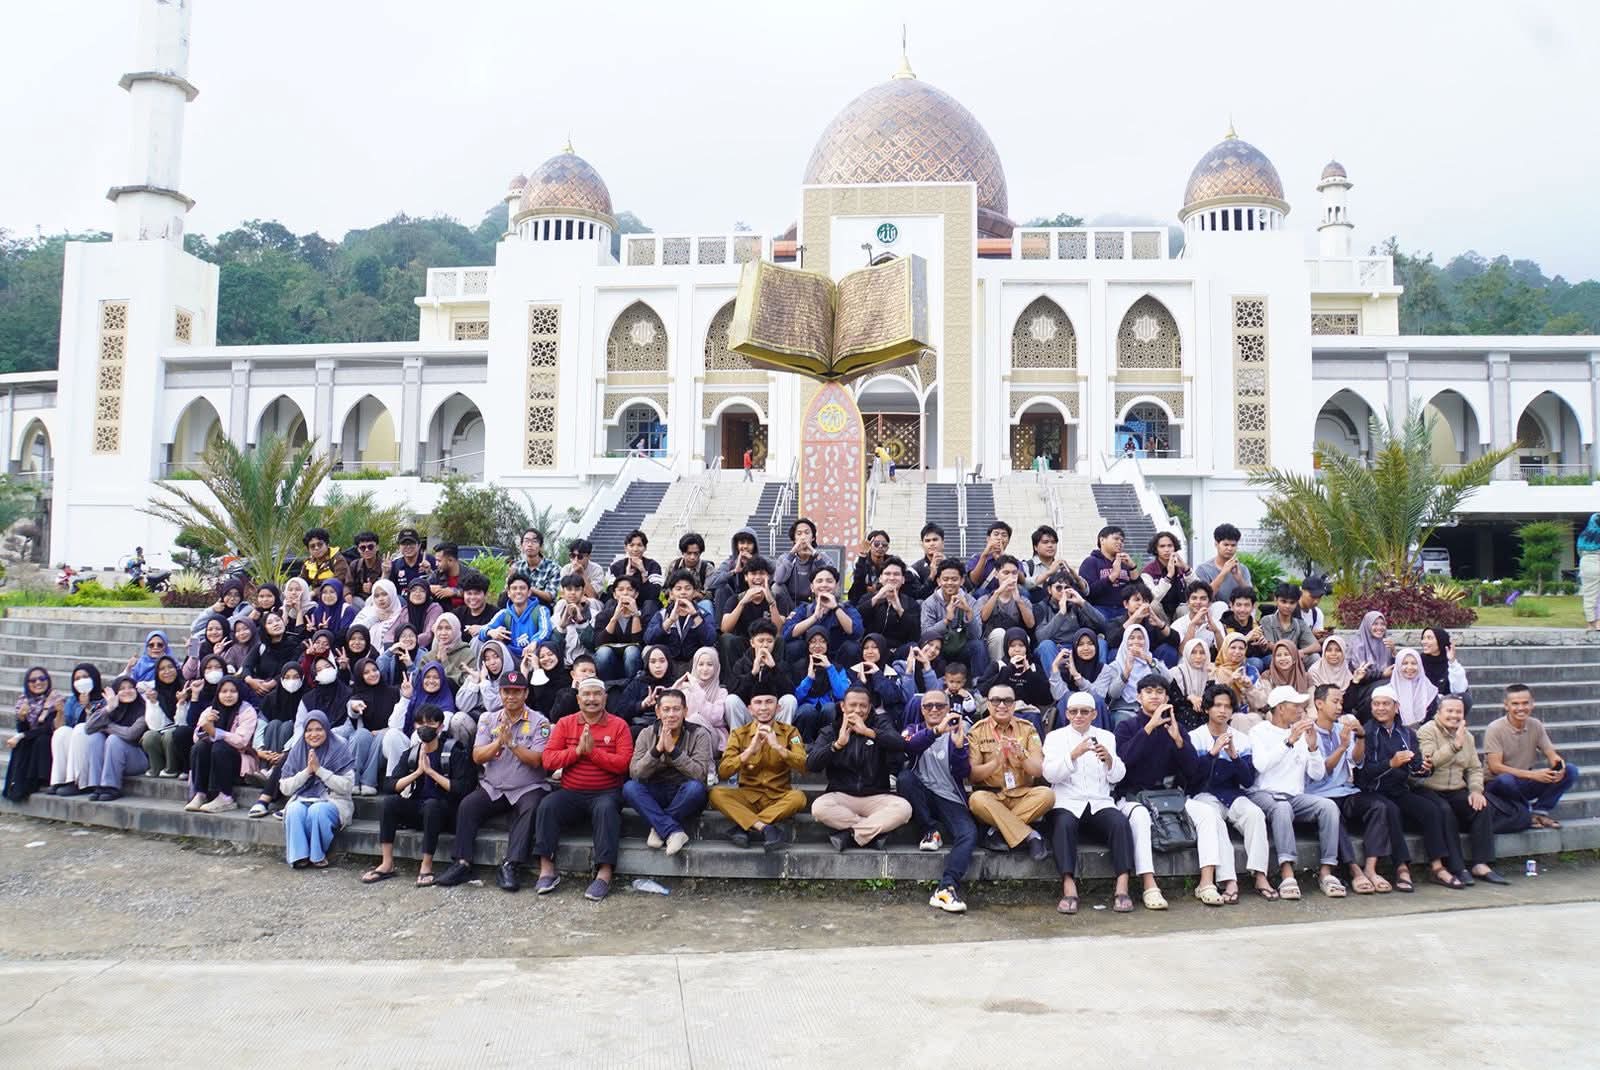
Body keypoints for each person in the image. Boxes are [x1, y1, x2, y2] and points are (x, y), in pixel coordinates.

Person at [1112, 676, 1232, 909]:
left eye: (1160, 692)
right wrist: (1149, 728)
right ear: (1139, 697)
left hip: (1170, 797)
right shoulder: (1126, 726)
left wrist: (1178, 740)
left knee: (1207, 813)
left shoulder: (1177, 727)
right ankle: (1149, 885)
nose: (1155, 696)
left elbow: (1192, 771)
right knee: (1139, 817)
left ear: (1167, 698)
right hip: (1133, 796)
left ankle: (1206, 882)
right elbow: (1123, 763)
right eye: (1148, 691)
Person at [435, 670, 551, 889]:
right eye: (507, 691)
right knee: (468, 805)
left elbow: (537, 760)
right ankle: (462, 862)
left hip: (527, 786)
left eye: (517, 692)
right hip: (494, 786)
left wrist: (513, 744)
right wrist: (499, 743)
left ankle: (511, 865)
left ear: (525, 694)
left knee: (532, 806)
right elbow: (477, 755)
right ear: (500, 693)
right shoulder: (488, 719)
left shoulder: (540, 722)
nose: (511, 696)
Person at [534, 678, 634, 900]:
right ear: (578, 699)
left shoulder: (619, 725)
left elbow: (624, 764)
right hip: (571, 792)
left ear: (605, 698)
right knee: (547, 805)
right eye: (586, 695)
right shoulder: (565, 723)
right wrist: (577, 751)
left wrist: (593, 753)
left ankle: (604, 874)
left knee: (606, 809)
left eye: (596, 694)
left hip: (606, 793)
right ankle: (547, 869)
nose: (591, 699)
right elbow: (548, 760)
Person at [1358, 685, 1467, 890]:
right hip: (1373, 791)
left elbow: (1417, 768)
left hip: (1399, 789)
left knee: (1431, 810)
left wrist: (1424, 768)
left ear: (1396, 707)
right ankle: (1402, 868)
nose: (1380, 708)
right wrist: (1391, 763)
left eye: (1385, 704)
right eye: (1376, 704)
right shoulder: (1367, 732)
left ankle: (1437, 866)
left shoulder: (1406, 733)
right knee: (1391, 810)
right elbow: (1362, 774)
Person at [1246, 686, 1347, 899]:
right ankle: (1287, 871)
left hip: (1295, 796)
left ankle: (1327, 870)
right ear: (1281, 709)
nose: (1301, 709)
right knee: (1281, 807)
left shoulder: (1302, 733)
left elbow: (1317, 774)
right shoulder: (1259, 731)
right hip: (1264, 793)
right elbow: (1261, 765)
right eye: (1296, 706)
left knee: (1328, 806)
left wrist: (1312, 748)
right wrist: (1289, 741)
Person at [1042, 691, 1138, 914]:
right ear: (1067, 714)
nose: (1078, 716)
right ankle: (1069, 888)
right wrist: (1073, 755)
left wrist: (1110, 761)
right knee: (1063, 824)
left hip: (1098, 801)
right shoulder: (1055, 737)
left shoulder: (1107, 737)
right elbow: (1049, 775)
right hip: (1067, 801)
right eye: (1074, 712)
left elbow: (1117, 777)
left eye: (1084, 712)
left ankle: (1122, 887)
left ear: (1094, 714)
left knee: (1120, 823)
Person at [1305, 683, 1403, 895]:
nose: (1340, 706)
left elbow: (1356, 760)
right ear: (1319, 704)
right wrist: (1341, 746)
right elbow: (1322, 772)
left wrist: (1360, 737)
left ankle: (1371, 867)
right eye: (1335, 701)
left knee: (1378, 806)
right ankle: (1354, 869)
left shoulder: (1342, 729)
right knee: (1333, 815)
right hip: (1318, 795)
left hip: (1344, 791)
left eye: (1341, 701)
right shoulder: (1308, 732)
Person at [362, 703, 476, 886]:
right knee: (388, 802)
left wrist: (431, 773)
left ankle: (426, 865)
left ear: (440, 726)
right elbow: (390, 784)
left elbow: (463, 788)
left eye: (430, 723)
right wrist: (416, 773)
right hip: (419, 810)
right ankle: (387, 863)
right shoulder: (412, 753)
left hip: (445, 813)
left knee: (432, 805)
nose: (425, 728)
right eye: (420, 723)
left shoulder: (454, 751)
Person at [1186, 684, 1272, 901]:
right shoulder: (1195, 737)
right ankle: (1229, 881)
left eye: (1227, 706)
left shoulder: (1241, 739)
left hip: (1232, 794)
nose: (1223, 711)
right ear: (1207, 709)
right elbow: (1192, 779)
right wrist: (1212, 754)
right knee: (1214, 821)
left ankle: (1260, 875)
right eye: (1217, 706)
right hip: (1203, 795)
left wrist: (1234, 756)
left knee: (1255, 814)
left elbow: (1247, 780)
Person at [1417, 695, 1509, 885]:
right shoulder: (1427, 731)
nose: (1454, 715)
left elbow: (1475, 768)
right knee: (1445, 812)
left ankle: (1481, 863)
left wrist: (1475, 790)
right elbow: (1429, 762)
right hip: (1429, 787)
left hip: (1457, 788)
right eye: (1449, 711)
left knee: (1481, 807)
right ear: (1438, 712)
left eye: (1458, 711)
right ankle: (1457, 867)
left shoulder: (1467, 736)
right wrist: (1454, 746)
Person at [899, 689, 976, 913]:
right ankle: (931, 830)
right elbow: (909, 746)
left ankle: (947, 887)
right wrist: (937, 731)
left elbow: (963, 771)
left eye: (940, 706)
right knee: (905, 778)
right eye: (928, 706)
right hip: (921, 792)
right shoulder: (912, 729)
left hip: (949, 795)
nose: (934, 709)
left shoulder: (961, 729)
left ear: (948, 707)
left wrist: (960, 748)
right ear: (921, 709)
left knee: (968, 833)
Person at [807, 686, 911, 851]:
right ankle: (869, 833)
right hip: (842, 795)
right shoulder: (831, 730)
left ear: (870, 707)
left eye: (863, 706)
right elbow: (811, 764)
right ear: (843, 706)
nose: (858, 710)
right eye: (853, 705)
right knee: (819, 808)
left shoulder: (880, 723)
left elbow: (900, 744)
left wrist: (868, 732)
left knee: (904, 809)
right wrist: (837, 745)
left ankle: (849, 835)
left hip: (876, 795)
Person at [709, 687, 809, 850]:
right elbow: (724, 771)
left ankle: (744, 826)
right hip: (747, 797)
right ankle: (765, 827)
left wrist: (778, 748)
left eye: (769, 702)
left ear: (778, 707)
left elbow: (804, 766)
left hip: (779, 797)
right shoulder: (739, 734)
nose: (763, 707)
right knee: (715, 794)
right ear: (750, 709)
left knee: (799, 798)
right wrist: (749, 752)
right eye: (758, 703)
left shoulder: (791, 732)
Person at [965, 684, 1053, 860]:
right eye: (996, 700)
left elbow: (1037, 770)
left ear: (1014, 705)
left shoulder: (1028, 729)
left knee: (1047, 794)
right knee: (976, 800)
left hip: (1022, 795)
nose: (1002, 705)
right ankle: (1031, 836)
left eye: (1007, 701)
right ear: (988, 704)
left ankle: (996, 831)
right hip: (993, 798)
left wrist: (1022, 756)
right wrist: (996, 761)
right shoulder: (976, 731)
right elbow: (973, 775)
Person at [623, 688, 712, 856]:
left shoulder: (699, 734)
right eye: (666, 709)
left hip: (684, 792)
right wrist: (656, 751)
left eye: (676, 709)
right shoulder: (646, 733)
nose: (671, 714)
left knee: (696, 789)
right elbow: (636, 773)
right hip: (656, 790)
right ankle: (672, 831)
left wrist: (673, 751)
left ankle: (659, 828)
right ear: (657, 711)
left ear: (685, 711)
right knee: (630, 788)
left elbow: (700, 774)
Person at [1484, 684, 1577, 829]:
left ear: (1532, 704)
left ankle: (1539, 812)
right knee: (1505, 780)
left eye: (1525, 703)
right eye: (1515, 704)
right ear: (1506, 705)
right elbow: (1495, 767)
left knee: (1571, 770)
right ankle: (1526, 813)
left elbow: (1551, 753)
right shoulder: (1494, 728)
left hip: (1524, 782)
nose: (1521, 708)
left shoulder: (1536, 725)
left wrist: (1560, 766)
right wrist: (1532, 775)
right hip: (1497, 785)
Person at [279, 710, 355, 868]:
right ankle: (300, 856)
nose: (313, 734)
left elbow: (347, 786)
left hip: (334, 801)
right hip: (302, 798)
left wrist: (320, 770)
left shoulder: (340, 748)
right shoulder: (297, 749)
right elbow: (285, 788)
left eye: (319, 729)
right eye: (309, 730)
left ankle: (317, 855)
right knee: (293, 810)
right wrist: (307, 771)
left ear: (327, 729)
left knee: (317, 810)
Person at [185, 677, 259, 814]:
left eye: (233, 691)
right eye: (224, 691)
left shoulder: (247, 711)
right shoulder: (210, 710)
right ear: (218, 693)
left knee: (220, 746)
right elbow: (196, 737)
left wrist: (215, 732)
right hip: (214, 758)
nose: (228, 695)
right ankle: (200, 793)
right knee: (200, 747)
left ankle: (225, 797)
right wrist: (206, 726)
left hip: (238, 759)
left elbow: (241, 741)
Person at [716, 553, 793, 671]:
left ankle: (775, 678)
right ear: (746, 577)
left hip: (767, 643)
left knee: (780, 640)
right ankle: (733, 681)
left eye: (762, 573)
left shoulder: (778, 599)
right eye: (753, 573)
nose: (758, 577)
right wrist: (743, 603)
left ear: (768, 577)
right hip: (744, 642)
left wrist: (771, 603)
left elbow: (778, 630)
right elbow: (725, 628)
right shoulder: (735, 599)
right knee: (726, 639)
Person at [781, 564, 863, 672]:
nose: (824, 585)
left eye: (829, 581)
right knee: (793, 647)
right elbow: (786, 634)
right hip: (809, 659)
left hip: (837, 659)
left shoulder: (847, 609)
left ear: (837, 586)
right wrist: (814, 617)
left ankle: (847, 685)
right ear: (812, 587)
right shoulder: (804, 609)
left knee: (852, 647)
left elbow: (857, 632)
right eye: (819, 581)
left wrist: (836, 608)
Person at [3, 667, 62, 802]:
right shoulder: (23, 701)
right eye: (32, 680)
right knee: (23, 743)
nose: (38, 683)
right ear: (27, 683)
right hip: (32, 738)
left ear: (48, 680)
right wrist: (22, 718)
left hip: (49, 740)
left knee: (42, 739)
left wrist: (22, 735)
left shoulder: (56, 699)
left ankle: (43, 780)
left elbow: (48, 728)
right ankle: (17, 783)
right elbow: (22, 728)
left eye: (42, 679)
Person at [725, 620, 798, 728]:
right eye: (761, 641)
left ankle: (781, 740)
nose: (765, 645)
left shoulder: (781, 664)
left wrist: (774, 668)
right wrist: (753, 673)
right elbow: (734, 692)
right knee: (731, 700)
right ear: (752, 643)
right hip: (750, 715)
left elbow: (789, 691)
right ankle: (738, 742)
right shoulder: (741, 664)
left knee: (789, 700)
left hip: (773, 715)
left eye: (769, 641)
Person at [1092, 625, 1170, 726]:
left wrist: (1149, 660)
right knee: (1124, 721)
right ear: (1125, 642)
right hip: (1123, 710)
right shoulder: (1116, 665)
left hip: (1151, 708)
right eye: (1131, 638)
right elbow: (1113, 694)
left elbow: (1168, 680)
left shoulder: (1152, 662)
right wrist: (1127, 671)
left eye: (1140, 638)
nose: (1136, 641)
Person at [919, 560, 985, 674]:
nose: (949, 583)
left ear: (962, 580)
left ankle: (978, 684)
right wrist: (946, 620)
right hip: (939, 649)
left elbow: (976, 635)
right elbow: (925, 634)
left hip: (962, 647)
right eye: (945, 579)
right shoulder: (929, 603)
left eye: (954, 579)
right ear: (939, 581)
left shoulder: (971, 601)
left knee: (978, 646)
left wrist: (968, 612)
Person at [644, 569, 715, 673]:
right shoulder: (662, 614)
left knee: (711, 651)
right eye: (678, 589)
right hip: (668, 662)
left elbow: (710, 640)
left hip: (694, 662)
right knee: (647, 650)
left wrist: (695, 615)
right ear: (671, 593)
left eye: (688, 589)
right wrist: (670, 620)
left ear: (694, 592)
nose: (683, 593)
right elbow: (648, 639)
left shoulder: (702, 614)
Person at [49, 663, 104, 795]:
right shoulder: (73, 700)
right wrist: (60, 712)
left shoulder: (104, 698)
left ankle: (78, 782)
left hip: (97, 738)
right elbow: (61, 726)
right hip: (77, 741)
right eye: (77, 678)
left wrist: (88, 707)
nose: (81, 681)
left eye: (85, 677)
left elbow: (99, 725)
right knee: (61, 733)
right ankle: (60, 780)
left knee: (80, 729)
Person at [791, 627, 850, 742]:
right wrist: (809, 678)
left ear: (827, 644)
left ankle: (828, 744)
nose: (817, 645)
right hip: (805, 711)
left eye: (822, 641)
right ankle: (804, 746)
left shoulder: (837, 667)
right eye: (813, 641)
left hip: (827, 711)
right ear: (807, 645)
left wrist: (829, 668)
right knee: (807, 710)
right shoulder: (798, 666)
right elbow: (795, 698)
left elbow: (842, 694)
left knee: (830, 708)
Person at [593, 573, 654, 682]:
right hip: (609, 658)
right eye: (620, 590)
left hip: (633, 657)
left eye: (630, 590)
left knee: (631, 651)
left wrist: (635, 614)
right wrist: (615, 617)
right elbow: (599, 642)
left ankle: (631, 686)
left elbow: (638, 642)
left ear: (636, 594)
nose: (625, 593)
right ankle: (607, 686)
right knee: (603, 652)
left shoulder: (644, 614)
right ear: (615, 594)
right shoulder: (604, 615)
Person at [977, 556, 1036, 667]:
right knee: (1000, 633)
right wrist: (997, 593)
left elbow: (1031, 624)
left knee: (1024, 638)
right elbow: (983, 618)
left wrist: (1018, 600)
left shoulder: (1023, 600)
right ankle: (999, 671)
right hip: (993, 641)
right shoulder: (985, 598)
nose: (1011, 577)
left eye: (1014, 573)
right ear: (996, 574)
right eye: (1006, 573)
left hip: (1015, 640)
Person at [481, 572, 552, 666]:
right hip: (510, 658)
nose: (518, 591)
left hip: (533, 655)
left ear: (529, 592)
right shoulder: (504, 613)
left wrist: (535, 642)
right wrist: (491, 632)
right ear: (509, 593)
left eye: (522, 588)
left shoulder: (540, 610)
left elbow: (546, 630)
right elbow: (483, 630)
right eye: (514, 588)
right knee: (478, 641)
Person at [138, 655, 189, 780]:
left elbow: (183, 723)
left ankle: (172, 769)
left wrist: (181, 703)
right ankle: (157, 768)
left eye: (170, 667)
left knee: (171, 734)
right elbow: (154, 726)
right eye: (161, 669)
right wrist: (154, 703)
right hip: (162, 732)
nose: (167, 672)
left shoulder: (186, 689)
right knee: (149, 736)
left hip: (180, 737)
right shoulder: (154, 693)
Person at [856, 555, 920, 655]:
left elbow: (914, 635)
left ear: (903, 579)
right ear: (880, 578)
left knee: (913, 647)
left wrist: (899, 610)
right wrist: (876, 598)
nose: (891, 578)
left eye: (896, 574)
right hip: (869, 649)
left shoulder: (911, 603)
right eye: (887, 574)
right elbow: (857, 618)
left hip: (897, 651)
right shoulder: (868, 598)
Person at [1343, 610, 1396, 718]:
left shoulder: (1386, 643)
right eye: (1375, 624)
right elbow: (1361, 674)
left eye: (1382, 624)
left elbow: (1394, 669)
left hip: (1383, 685)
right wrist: (1382, 674)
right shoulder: (1359, 645)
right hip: (1362, 689)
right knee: (1387, 686)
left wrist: (1394, 652)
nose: (1380, 627)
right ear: (1367, 625)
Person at [616, 644, 677, 737]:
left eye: (662, 661)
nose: (657, 666)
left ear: (668, 662)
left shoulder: (676, 684)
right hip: (642, 726)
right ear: (647, 664)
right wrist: (642, 704)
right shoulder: (638, 683)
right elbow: (621, 710)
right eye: (653, 662)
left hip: (670, 725)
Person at [1080, 525, 1137, 620]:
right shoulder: (1090, 562)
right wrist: (1112, 576)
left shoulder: (1125, 563)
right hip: (1100, 608)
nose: (1120, 542)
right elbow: (1088, 592)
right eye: (1116, 538)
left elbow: (1140, 591)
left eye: (1122, 541)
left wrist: (1133, 567)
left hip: (1123, 609)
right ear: (1102, 540)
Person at [1194, 523, 1252, 608]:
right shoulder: (1203, 569)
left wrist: (1239, 579)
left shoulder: (1242, 569)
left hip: (1237, 610)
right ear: (1216, 544)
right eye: (1226, 545)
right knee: (1220, 606)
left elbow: (1251, 597)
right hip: (1212, 611)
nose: (1229, 548)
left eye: (1233, 545)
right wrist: (1223, 573)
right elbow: (1203, 598)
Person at [1139, 530, 1191, 621]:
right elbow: (1152, 596)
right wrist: (1169, 576)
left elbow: (1199, 589)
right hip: (1160, 617)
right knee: (1153, 605)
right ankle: (1166, 633)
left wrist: (1186, 569)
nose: (1166, 550)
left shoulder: (1181, 567)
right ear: (1156, 549)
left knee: (1184, 608)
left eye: (1170, 546)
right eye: (1162, 546)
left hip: (1179, 613)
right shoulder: (1148, 571)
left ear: (1174, 548)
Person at [550, 573, 600, 665]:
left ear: (583, 591)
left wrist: (582, 623)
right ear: (562, 592)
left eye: (577, 589)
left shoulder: (595, 615)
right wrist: (561, 628)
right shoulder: (555, 618)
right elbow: (554, 649)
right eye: (569, 589)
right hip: (563, 665)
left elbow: (593, 646)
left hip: (587, 665)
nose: (573, 592)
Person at [1258, 583, 1317, 660]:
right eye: (1283, 601)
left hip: (1294, 659)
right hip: (1274, 659)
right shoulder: (1267, 620)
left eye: (1292, 603)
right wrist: (1292, 653)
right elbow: (1270, 645)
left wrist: (1301, 651)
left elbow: (1316, 646)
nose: (1287, 606)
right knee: (1271, 659)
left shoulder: (1300, 623)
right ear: (1276, 600)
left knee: (1314, 657)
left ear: (1297, 603)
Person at [1217, 589, 1270, 673]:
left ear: (1253, 607)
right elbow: (1224, 653)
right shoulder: (1224, 624)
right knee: (1257, 663)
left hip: (1257, 658)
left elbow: (1263, 651)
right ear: (1231, 605)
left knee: (1273, 659)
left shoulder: (1254, 622)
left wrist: (1263, 646)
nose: (1242, 610)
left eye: (1247, 605)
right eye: (1238, 605)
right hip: (1235, 663)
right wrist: (1246, 638)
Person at [773, 517, 822, 606]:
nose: (803, 537)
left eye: (807, 533)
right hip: (790, 604)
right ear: (794, 539)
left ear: (813, 538)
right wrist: (791, 554)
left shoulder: (821, 557)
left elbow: (832, 577)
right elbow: (778, 580)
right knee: (776, 588)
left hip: (815, 604)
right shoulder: (785, 558)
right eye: (799, 534)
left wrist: (815, 556)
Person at [1418, 628, 1469, 712]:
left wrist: (1452, 661)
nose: (1424, 641)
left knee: (1466, 697)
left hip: (1448, 708)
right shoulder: (1418, 661)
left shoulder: (1450, 663)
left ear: (1440, 640)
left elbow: (1460, 689)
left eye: (1429, 638)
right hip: (1424, 707)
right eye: (1423, 638)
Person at [608, 529, 665, 605]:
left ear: (645, 548)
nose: (635, 549)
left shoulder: (653, 565)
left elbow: (654, 594)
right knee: (610, 603)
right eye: (631, 545)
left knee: (650, 604)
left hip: (645, 605)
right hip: (622, 603)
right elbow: (611, 593)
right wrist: (626, 577)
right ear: (626, 548)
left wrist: (643, 572)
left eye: (639, 545)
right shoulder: (616, 566)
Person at [1391, 647, 1440, 727]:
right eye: (1405, 663)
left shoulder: (1430, 691)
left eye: (1414, 663)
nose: (1410, 667)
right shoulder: (1389, 693)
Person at [514, 528, 563, 608]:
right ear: (522, 546)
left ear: (541, 547)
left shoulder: (553, 568)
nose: (530, 544)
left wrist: (529, 588)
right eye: (526, 541)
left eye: (534, 541)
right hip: (519, 606)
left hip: (542, 607)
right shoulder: (516, 567)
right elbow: (508, 591)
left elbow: (550, 596)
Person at [966, 520, 1012, 591]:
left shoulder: (1012, 560)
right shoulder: (976, 558)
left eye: (1004, 535)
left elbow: (1021, 580)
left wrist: (1004, 560)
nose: (1000, 538)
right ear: (988, 539)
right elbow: (973, 581)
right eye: (996, 534)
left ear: (1008, 541)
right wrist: (984, 556)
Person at [347, 531, 386, 606]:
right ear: (358, 549)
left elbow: (389, 589)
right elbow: (348, 585)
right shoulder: (354, 565)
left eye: (370, 547)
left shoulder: (385, 565)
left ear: (377, 547)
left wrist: (373, 589)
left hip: (380, 600)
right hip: (359, 600)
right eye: (363, 548)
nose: (367, 550)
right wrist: (348, 594)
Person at [456, 573, 497, 642]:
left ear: (485, 594)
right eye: (469, 593)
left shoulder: (496, 614)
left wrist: (483, 630)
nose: (472, 597)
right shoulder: (458, 613)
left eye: (477, 593)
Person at [1580, 512, 1600, 631]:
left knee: (1589, 594)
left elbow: (1579, 551)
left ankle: (1590, 623)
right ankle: (1599, 623)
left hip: (1586, 563)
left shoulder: (1584, 535)